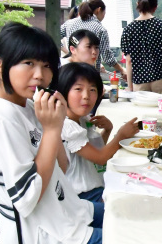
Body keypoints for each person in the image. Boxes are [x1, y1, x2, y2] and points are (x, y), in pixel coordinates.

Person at [0, 22, 102, 244]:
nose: (39, 75)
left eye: (46, 66)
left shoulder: (29, 105)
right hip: (44, 241)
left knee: (127, 215)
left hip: (67, 213)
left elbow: (62, 168)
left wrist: (55, 124)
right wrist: (53, 129)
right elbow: (26, 199)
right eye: (28, 63)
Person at [58, 62, 138, 206]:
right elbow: (100, 158)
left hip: (94, 188)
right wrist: (121, 135)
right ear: (63, 91)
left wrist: (107, 131)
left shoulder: (81, 118)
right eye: (78, 89)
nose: (86, 96)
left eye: (92, 89)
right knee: (126, 208)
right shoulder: (66, 126)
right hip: (81, 197)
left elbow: (93, 151)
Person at [120, 0, 162, 94]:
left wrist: (130, 87)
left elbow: (129, 61)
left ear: (137, 5)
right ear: (155, 7)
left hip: (139, 83)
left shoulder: (128, 30)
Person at [60, 0, 126, 77]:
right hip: (90, 74)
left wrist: (69, 51)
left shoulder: (69, 23)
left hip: (70, 72)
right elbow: (107, 56)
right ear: (99, 10)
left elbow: (54, 36)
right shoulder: (100, 29)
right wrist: (121, 69)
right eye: (104, 13)